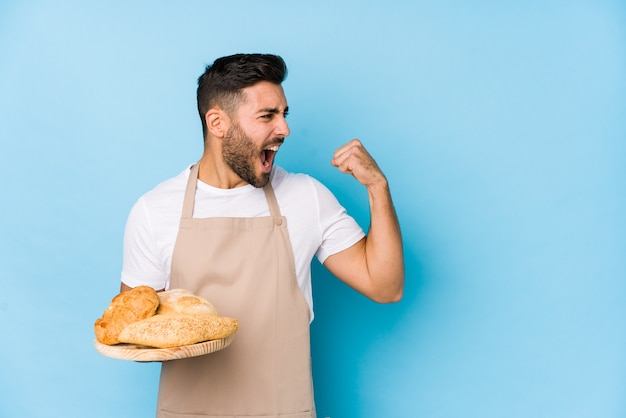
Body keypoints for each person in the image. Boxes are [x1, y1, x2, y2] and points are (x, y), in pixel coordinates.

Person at [119, 53, 404, 418]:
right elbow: (134, 331)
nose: (284, 130)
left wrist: (378, 187)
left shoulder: (305, 197)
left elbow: (386, 286)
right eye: (268, 116)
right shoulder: (154, 210)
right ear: (218, 122)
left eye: (285, 114)